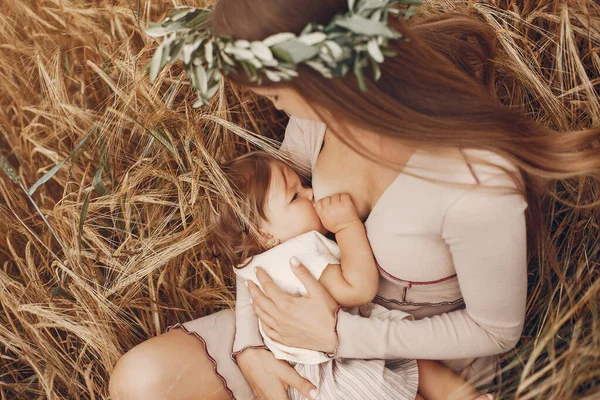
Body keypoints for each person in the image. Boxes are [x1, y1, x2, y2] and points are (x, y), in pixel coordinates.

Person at [109, 0, 600, 399]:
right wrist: (250, 348)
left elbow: (494, 332)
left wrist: (341, 337)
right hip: (300, 321)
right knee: (140, 381)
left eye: (275, 96)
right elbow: (264, 230)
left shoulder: (476, 182)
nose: (274, 105)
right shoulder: (324, 115)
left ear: (314, 76)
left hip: (410, 360)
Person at [210, 150, 493, 400]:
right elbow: (358, 288)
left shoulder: (253, 264)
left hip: (315, 373)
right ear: (266, 235)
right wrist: (347, 226)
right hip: (343, 375)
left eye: (304, 186)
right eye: (296, 196)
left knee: (417, 367)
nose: (311, 193)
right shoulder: (298, 254)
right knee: (415, 371)